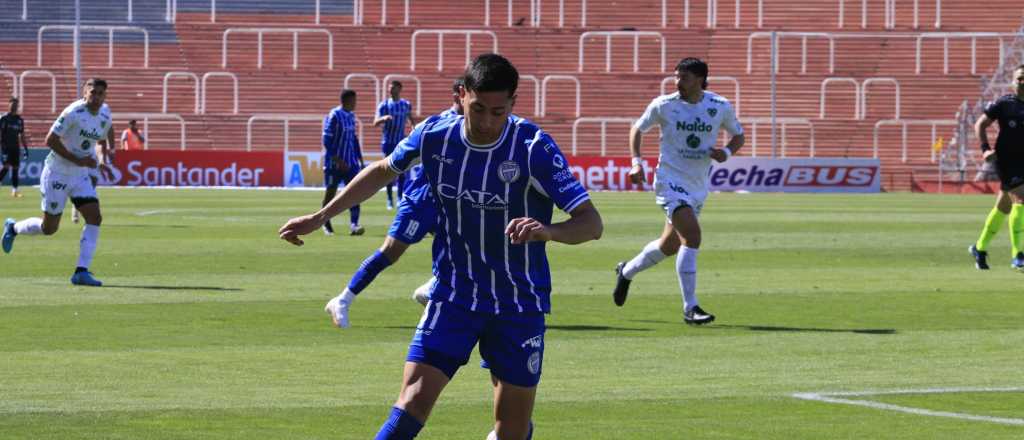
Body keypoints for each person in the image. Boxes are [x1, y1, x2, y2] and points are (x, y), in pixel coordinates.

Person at [279, 53, 602, 440]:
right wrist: (320, 217)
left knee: (512, 430)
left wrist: (547, 231)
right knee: (413, 399)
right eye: (478, 109)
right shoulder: (435, 135)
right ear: (462, 95)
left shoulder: (533, 148)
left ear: (513, 103)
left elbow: (591, 224)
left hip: (518, 303)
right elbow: (382, 170)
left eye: (498, 112)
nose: (486, 122)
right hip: (454, 294)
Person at [611, 57, 745, 325]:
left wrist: (727, 152)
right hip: (669, 180)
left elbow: (738, 135)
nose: (677, 82)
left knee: (669, 245)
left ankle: (626, 271)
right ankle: (690, 307)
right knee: (692, 236)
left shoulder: (719, 106)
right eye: (676, 76)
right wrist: (636, 163)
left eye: (684, 77)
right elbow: (637, 128)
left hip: (697, 185)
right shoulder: (664, 104)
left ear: (700, 79)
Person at [325, 78, 465, 328]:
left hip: (451, 205)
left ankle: (431, 288)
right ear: (459, 95)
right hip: (423, 201)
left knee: (466, 249)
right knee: (390, 252)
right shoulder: (440, 125)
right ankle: (342, 300)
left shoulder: (480, 128)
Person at [2, 78, 113, 287]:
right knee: (49, 228)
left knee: (94, 217)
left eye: (100, 93)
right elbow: (50, 140)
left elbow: (100, 140)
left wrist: (100, 159)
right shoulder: (73, 112)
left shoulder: (105, 115)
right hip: (57, 173)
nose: (96, 97)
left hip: (80, 175)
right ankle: (13, 228)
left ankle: (81, 271)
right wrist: (78, 159)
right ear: (85, 93)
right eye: (93, 92)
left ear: (105, 96)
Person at [970, 64, 1024, 270]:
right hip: (1007, 161)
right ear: (1012, 81)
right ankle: (1018, 255)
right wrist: (985, 149)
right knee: (1021, 199)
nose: (1022, 82)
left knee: (1004, 207)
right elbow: (980, 124)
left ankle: (979, 248)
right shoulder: (1004, 103)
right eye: (1019, 78)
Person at [321, 89, 365, 236]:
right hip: (334, 164)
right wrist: (338, 160)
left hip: (350, 163)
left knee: (355, 192)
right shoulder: (334, 115)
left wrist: (360, 158)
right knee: (330, 194)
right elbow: (326, 140)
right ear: (347, 100)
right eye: (354, 100)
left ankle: (354, 225)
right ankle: (326, 224)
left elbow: (354, 139)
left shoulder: (351, 116)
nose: (356, 103)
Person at [373, 80, 415, 210]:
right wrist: (383, 118)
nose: (390, 90)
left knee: (401, 170)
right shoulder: (384, 105)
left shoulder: (405, 104)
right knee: (388, 171)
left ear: (399, 89)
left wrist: (413, 130)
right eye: (389, 87)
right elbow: (375, 122)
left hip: (400, 142)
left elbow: (411, 120)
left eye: (393, 88)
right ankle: (389, 198)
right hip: (388, 142)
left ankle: (400, 197)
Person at [0, 97, 29, 197]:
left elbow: (22, 135)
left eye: (16, 105)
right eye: (12, 105)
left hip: (15, 148)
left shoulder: (19, 120)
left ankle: (15, 191)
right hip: (6, 148)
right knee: (6, 167)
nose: (14, 107)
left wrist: (25, 148)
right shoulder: (4, 118)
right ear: (9, 105)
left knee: (15, 168)